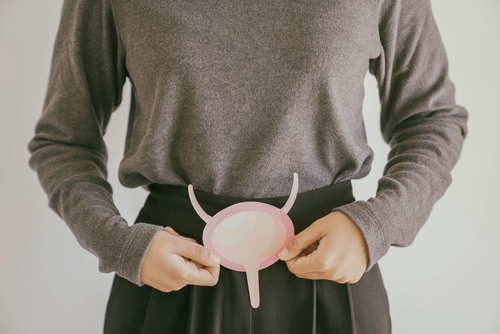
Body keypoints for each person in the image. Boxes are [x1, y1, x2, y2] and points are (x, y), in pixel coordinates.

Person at [29, 0, 468, 333]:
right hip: (171, 278)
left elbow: (432, 118)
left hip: (333, 274)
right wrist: (118, 244)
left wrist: (375, 226)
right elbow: (64, 140)